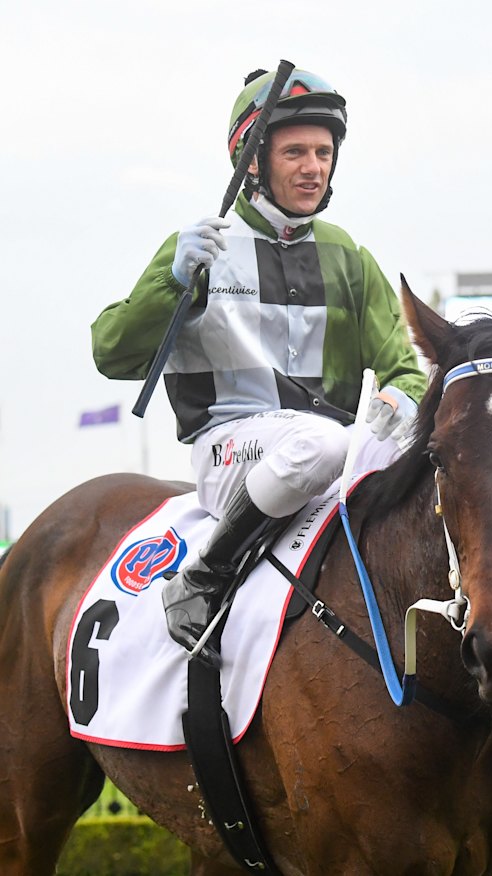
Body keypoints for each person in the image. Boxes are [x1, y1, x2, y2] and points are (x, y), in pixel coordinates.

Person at [91, 66, 428, 669]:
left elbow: (405, 370)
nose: (313, 167)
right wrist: (171, 285)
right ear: (252, 161)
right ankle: (205, 576)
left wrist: (399, 404)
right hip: (230, 452)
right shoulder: (199, 249)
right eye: (295, 151)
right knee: (320, 442)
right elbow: (112, 353)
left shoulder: (350, 258)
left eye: (323, 152)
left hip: (332, 453)